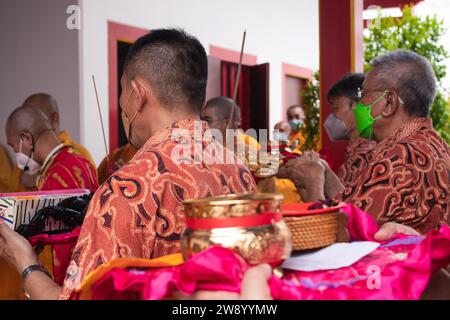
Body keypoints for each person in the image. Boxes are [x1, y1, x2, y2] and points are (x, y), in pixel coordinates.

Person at [0, 29, 257, 300]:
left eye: (122, 91)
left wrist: (26, 264)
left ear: (137, 94)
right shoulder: (237, 169)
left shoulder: (132, 186)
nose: (121, 104)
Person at [279, 50, 449, 234]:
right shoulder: (436, 143)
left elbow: (339, 236)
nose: (360, 106)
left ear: (389, 103)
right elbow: (355, 207)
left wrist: (313, 182)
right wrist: (326, 175)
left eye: (364, 95)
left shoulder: (400, 156)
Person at [9, 93, 96, 192]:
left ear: (27, 138)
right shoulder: (79, 161)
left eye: (12, 146)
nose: (15, 151)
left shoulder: (60, 173)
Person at [324, 73, 376, 186]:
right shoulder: (355, 149)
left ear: (359, 106)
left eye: (336, 108)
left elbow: (342, 202)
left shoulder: (364, 153)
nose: (332, 115)